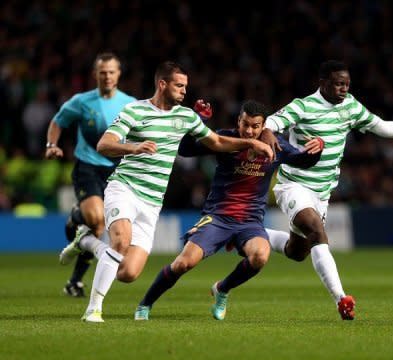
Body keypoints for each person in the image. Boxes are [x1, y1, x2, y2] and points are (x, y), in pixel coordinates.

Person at [58, 61, 274, 322]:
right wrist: (134, 148)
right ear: (162, 84)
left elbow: (216, 142)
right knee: (120, 241)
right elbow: (105, 144)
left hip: (151, 202)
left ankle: (86, 240)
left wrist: (250, 142)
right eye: (179, 86)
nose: (184, 91)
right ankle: (93, 309)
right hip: (124, 187)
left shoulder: (185, 117)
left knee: (128, 273)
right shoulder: (134, 110)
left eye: (186, 86)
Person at [259, 60, 393, 320]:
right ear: (323, 83)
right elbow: (273, 120)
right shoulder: (304, 105)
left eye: (347, 84)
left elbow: (382, 127)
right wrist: (269, 131)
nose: (343, 88)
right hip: (294, 184)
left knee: (298, 252)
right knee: (318, 230)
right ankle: (342, 299)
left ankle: (248, 232)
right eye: (338, 83)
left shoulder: (350, 106)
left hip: (322, 192)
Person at [133, 100, 323, 321]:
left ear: (264, 127)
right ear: (238, 121)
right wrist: (201, 119)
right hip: (218, 217)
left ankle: (223, 289)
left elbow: (303, 160)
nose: (249, 130)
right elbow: (185, 150)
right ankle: (145, 304)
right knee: (184, 263)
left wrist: (317, 147)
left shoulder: (275, 145)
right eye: (245, 124)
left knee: (260, 256)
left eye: (255, 126)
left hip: (250, 221)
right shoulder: (225, 139)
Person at [46, 52, 136, 297]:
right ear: (95, 74)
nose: (107, 76)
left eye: (111, 72)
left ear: (118, 74)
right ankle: (78, 214)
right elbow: (57, 122)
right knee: (95, 220)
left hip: (118, 170)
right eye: (102, 72)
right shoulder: (81, 101)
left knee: (95, 231)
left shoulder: (131, 104)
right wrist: (51, 145)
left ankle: (74, 282)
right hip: (88, 166)